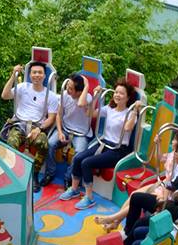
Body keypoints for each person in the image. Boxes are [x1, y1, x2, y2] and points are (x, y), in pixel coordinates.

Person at [59, 78, 142, 209]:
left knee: (87, 163)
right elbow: (89, 113)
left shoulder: (130, 113)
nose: (117, 95)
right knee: (78, 157)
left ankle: (89, 197)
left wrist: (135, 110)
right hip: (104, 144)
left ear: (128, 97)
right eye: (116, 92)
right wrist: (96, 97)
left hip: (117, 149)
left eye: (121, 93)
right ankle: (74, 189)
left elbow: (128, 128)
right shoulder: (109, 109)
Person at [0, 62, 57, 192]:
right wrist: (13, 76)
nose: (37, 75)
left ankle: (34, 174)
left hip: (37, 126)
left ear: (44, 76)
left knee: (43, 143)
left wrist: (39, 129)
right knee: (11, 142)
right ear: (30, 75)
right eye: (34, 72)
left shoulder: (51, 95)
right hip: (20, 123)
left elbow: (51, 118)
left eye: (40, 72)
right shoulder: (22, 87)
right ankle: (13, 174)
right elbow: (5, 95)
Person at [42, 75, 93, 189]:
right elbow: (59, 115)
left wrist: (86, 86)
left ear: (79, 91)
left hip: (80, 133)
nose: (67, 90)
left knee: (80, 152)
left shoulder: (87, 98)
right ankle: (50, 172)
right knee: (50, 143)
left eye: (71, 88)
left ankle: (68, 177)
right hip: (65, 128)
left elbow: (80, 104)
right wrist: (60, 132)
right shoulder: (65, 95)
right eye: (67, 86)